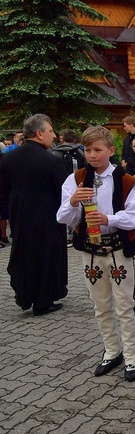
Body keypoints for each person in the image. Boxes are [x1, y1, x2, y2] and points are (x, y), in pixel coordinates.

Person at [57, 125, 135, 381]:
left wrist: (109, 218)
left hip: (117, 248)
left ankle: (131, 357)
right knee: (101, 305)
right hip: (91, 251)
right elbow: (63, 217)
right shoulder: (76, 179)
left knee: (125, 305)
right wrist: (73, 202)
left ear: (111, 150)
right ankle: (111, 351)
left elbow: (134, 217)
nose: (92, 155)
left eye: (98, 149)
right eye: (87, 149)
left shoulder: (126, 179)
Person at [0, 114, 68, 316]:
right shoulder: (51, 160)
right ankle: (43, 300)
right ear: (39, 134)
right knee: (47, 256)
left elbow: (3, 190)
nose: (54, 136)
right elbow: (64, 191)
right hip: (48, 217)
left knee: (23, 254)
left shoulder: (8, 158)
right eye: (50, 131)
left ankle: (25, 294)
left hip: (19, 216)